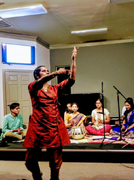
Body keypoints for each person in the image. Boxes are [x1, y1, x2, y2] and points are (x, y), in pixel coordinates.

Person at [23, 47, 78, 180]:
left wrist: (73, 60)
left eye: (47, 71)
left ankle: (55, 178)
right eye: (43, 71)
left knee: (55, 158)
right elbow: (41, 82)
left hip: (54, 125)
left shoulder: (54, 88)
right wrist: (56, 72)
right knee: (30, 160)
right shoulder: (33, 86)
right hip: (38, 126)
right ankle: (37, 175)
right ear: (37, 75)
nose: (46, 72)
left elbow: (72, 79)